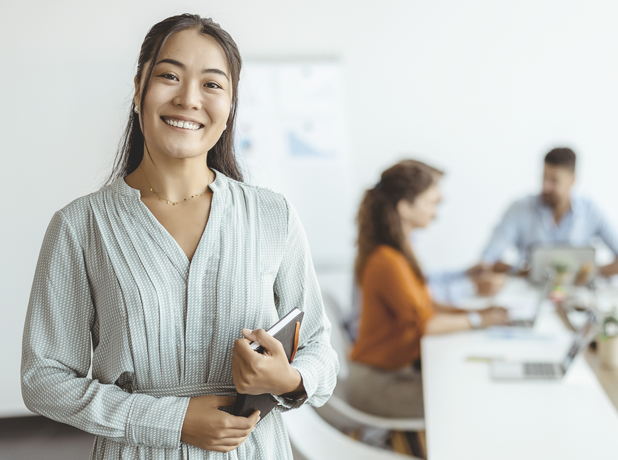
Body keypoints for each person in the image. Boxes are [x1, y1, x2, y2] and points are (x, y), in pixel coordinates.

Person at [21, 14, 338, 460]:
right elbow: (44, 378)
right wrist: (173, 421)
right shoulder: (80, 226)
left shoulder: (273, 215)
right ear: (138, 91)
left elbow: (320, 349)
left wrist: (288, 380)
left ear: (230, 107)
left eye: (212, 84)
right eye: (169, 76)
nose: (189, 99)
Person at [348, 160, 508, 418]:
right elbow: (424, 325)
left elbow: (424, 305)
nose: (436, 211)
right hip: (378, 384)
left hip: (394, 372)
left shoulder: (400, 251)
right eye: (431, 203)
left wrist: (472, 313)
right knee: (466, 401)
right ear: (405, 208)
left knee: (463, 384)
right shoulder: (387, 260)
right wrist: (479, 319)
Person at [476, 147, 618, 276]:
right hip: (527, 292)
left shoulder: (591, 211)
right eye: (544, 177)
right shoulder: (519, 208)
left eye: (554, 180)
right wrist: (522, 272)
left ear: (572, 180)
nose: (545, 186)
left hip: (577, 294)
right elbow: (488, 259)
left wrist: (590, 273)